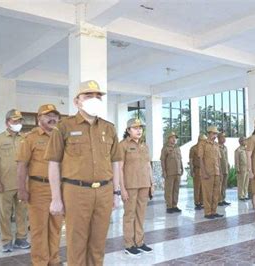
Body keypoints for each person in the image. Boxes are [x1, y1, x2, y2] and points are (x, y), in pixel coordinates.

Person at [44, 80, 122, 265]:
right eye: (88, 96)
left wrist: (116, 191)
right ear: (77, 101)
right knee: (76, 244)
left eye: (98, 96)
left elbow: (115, 162)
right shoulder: (64, 127)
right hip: (76, 192)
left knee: (98, 245)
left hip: (104, 191)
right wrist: (56, 198)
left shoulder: (108, 128)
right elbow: (54, 164)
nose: (94, 99)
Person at [16, 104, 63, 265]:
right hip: (38, 188)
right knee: (39, 229)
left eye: (55, 116)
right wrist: (22, 189)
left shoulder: (62, 136)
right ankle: (40, 262)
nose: (52, 118)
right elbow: (22, 165)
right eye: (47, 116)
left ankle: (54, 260)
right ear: (39, 119)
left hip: (58, 189)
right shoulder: (30, 138)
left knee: (56, 227)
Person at [0, 109, 30, 252]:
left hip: (22, 184)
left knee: (22, 213)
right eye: (14, 121)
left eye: (19, 121)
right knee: (5, 214)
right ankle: (6, 241)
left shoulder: (24, 138)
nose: (18, 123)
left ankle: (21, 239)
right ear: (7, 122)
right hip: (5, 184)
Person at [120, 118, 154, 257]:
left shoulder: (144, 145)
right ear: (128, 130)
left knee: (141, 214)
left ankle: (139, 242)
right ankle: (129, 244)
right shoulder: (122, 145)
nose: (139, 130)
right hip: (130, 186)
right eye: (135, 128)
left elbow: (148, 165)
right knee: (130, 215)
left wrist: (152, 184)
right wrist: (122, 188)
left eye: (140, 127)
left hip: (144, 184)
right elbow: (120, 168)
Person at [198, 126, 223, 219]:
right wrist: (203, 172)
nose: (215, 135)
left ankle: (214, 211)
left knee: (216, 193)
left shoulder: (216, 145)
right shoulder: (203, 143)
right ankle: (208, 212)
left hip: (216, 172)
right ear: (208, 133)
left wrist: (220, 172)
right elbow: (201, 159)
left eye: (216, 134)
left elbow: (218, 159)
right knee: (207, 193)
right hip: (207, 173)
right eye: (213, 133)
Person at [160, 132, 183, 213]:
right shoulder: (165, 148)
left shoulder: (177, 148)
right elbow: (162, 160)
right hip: (170, 172)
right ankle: (169, 206)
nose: (174, 139)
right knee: (169, 190)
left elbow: (180, 159)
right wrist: (164, 171)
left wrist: (182, 169)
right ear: (168, 139)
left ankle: (174, 205)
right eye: (172, 138)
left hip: (178, 172)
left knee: (176, 190)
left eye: (175, 138)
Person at [189, 134, 206, 210]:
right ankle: (197, 202)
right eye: (204, 140)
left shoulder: (205, 148)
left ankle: (202, 201)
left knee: (203, 187)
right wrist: (192, 170)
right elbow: (191, 160)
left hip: (204, 170)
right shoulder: (193, 148)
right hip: (197, 169)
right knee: (197, 187)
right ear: (200, 140)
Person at [217, 133, 230, 206]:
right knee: (219, 185)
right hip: (220, 168)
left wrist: (228, 165)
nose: (224, 139)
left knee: (224, 185)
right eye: (222, 137)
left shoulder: (225, 147)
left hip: (225, 168)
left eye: (225, 137)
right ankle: (219, 200)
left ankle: (223, 198)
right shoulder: (216, 147)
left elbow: (226, 158)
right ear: (218, 138)